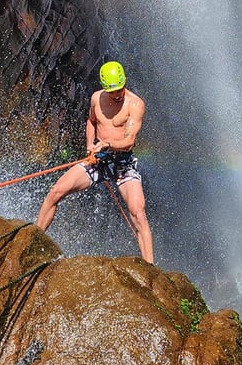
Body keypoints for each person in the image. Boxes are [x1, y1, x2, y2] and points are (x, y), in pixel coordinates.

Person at [36, 60, 154, 264]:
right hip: (98, 159)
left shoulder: (135, 104)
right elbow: (91, 121)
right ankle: (34, 239)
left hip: (122, 164)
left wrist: (106, 143)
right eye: (112, 91)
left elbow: (128, 141)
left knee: (138, 212)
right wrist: (90, 145)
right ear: (104, 88)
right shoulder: (96, 99)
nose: (117, 94)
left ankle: (151, 268)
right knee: (56, 191)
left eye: (120, 89)